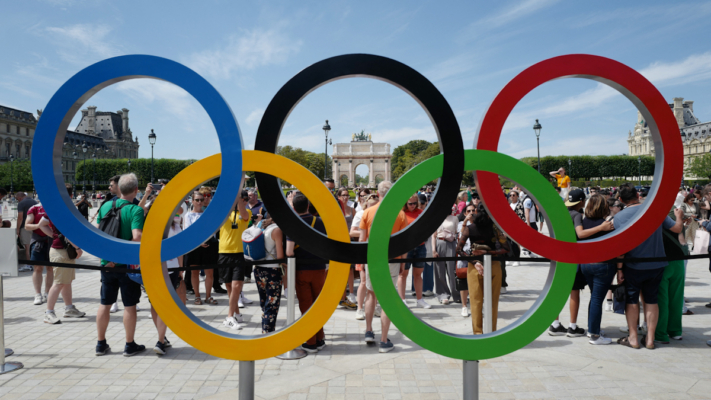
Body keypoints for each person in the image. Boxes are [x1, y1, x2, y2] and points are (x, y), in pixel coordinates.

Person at [614, 183, 683, 349]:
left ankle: (633, 338)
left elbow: (621, 248)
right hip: (656, 264)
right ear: (638, 196)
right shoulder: (655, 210)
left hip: (633, 264)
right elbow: (676, 228)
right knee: (652, 300)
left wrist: (619, 269)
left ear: (621, 200)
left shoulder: (620, 217)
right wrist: (679, 216)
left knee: (632, 300)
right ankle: (650, 339)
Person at [548, 189, 613, 338]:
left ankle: (555, 324)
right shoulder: (577, 215)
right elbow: (581, 234)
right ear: (582, 202)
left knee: (558, 290)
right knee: (574, 291)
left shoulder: (561, 213)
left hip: (558, 255)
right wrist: (602, 227)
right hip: (571, 258)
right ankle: (572, 326)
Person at [95, 173, 146, 356]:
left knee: (105, 303)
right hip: (125, 265)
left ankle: (101, 344)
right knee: (129, 305)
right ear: (135, 190)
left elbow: (99, 233)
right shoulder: (135, 210)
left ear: (119, 188)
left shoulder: (106, 205)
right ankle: (129, 344)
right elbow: (137, 236)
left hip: (106, 263)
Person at [360, 181, 407, 353]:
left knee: (371, 294)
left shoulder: (368, 212)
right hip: (392, 259)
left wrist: (362, 263)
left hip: (373, 259)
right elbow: (403, 244)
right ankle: (384, 339)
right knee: (387, 296)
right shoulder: (400, 214)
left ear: (378, 193)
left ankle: (368, 330)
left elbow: (362, 241)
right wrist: (402, 263)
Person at [456, 203, 510, 334]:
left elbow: (458, 250)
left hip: (474, 266)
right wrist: (489, 253)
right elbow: (506, 248)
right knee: (493, 302)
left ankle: (478, 334)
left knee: (475, 302)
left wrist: (474, 261)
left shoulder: (470, 228)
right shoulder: (494, 228)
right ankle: (492, 333)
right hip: (493, 264)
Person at [287, 192, 329, 353]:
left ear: (294, 208)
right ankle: (320, 337)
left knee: (306, 305)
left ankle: (310, 342)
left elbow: (289, 251)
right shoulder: (319, 221)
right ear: (308, 206)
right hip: (319, 268)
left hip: (302, 269)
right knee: (317, 304)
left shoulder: (293, 224)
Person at [39, 183, 87, 324]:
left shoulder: (53, 208)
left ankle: (69, 308)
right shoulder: (66, 209)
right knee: (60, 282)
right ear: (70, 195)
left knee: (66, 281)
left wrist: (53, 235)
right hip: (63, 251)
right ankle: (49, 312)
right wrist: (77, 247)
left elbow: (42, 224)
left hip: (59, 249)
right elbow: (68, 232)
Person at [578, 194, 616, 345]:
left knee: (594, 297)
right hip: (603, 264)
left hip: (586, 264)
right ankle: (594, 334)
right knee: (597, 298)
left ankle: (592, 329)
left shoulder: (583, 222)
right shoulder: (607, 224)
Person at [219, 193, 251, 330]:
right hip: (224, 252)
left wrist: (238, 200)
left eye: (243, 199)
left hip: (239, 252)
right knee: (229, 287)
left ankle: (229, 317)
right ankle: (237, 313)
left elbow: (244, 216)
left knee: (237, 286)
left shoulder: (246, 210)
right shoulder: (224, 212)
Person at [184, 191, 218, 305]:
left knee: (209, 272)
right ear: (192, 201)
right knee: (194, 272)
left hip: (208, 245)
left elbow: (213, 230)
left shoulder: (208, 214)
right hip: (194, 246)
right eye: (197, 200)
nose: (199, 202)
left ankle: (208, 296)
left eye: (201, 200)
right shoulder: (188, 215)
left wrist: (205, 240)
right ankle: (197, 296)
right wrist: (199, 242)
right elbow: (187, 232)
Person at [397, 194, 430, 308]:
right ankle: (402, 300)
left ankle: (420, 300)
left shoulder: (420, 213)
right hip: (405, 247)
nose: (412, 205)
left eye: (414, 203)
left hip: (420, 246)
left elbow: (426, 228)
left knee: (418, 274)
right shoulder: (401, 214)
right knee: (403, 274)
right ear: (405, 203)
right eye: (410, 203)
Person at [351, 193, 377, 320]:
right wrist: (366, 232)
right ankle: (359, 308)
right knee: (363, 281)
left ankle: (375, 307)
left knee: (376, 282)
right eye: (371, 206)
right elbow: (352, 231)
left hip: (376, 250)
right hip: (363, 249)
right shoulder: (361, 214)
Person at [255, 217, 284, 333]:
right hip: (272, 271)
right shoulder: (276, 230)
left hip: (258, 269)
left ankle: (265, 331)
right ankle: (267, 335)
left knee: (264, 304)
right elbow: (280, 256)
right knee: (271, 306)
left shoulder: (261, 226)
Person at [24, 200, 54, 305]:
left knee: (50, 268)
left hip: (52, 241)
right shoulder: (34, 208)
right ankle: (37, 294)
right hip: (38, 241)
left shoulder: (54, 206)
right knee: (37, 268)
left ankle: (47, 292)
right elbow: (27, 226)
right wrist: (41, 225)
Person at [433, 206, 460, 305]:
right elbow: (434, 235)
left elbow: (457, 233)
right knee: (440, 271)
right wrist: (433, 250)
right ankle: (443, 294)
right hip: (439, 242)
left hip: (451, 244)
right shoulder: (436, 218)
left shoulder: (454, 218)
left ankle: (456, 294)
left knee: (452, 271)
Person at [336, 188, 358, 309]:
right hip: (339, 241)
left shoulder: (352, 209)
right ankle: (341, 293)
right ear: (338, 196)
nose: (345, 197)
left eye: (347, 195)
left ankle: (351, 293)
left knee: (350, 269)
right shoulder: (336, 209)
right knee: (340, 269)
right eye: (343, 195)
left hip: (349, 240)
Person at [15, 192, 37, 272]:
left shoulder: (21, 203)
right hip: (35, 226)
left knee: (27, 247)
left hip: (26, 227)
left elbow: (20, 217)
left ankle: (29, 265)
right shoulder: (34, 202)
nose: (18, 201)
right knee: (34, 245)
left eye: (17, 199)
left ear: (20, 198)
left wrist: (17, 229)